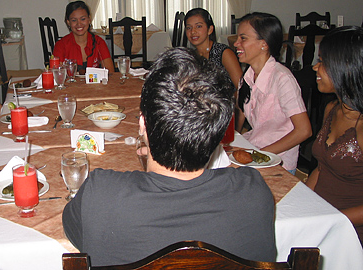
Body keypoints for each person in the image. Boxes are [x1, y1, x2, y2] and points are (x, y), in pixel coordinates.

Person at [62, 47, 276, 267]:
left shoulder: (101, 193)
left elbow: (77, 234)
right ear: (219, 133)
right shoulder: (252, 191)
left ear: (142, 125)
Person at [306, 26, 363, 244]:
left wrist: (330, 220)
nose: (314, 67)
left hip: (347, 232)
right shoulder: (333, 109)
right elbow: (322, 168)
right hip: (321, 217)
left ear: (345, 68)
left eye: (322, 61)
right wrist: (299, 200)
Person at [234, 12, 312, 173]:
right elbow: (240, 111)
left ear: (264, 44)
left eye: (243, 38)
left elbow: (304, 131)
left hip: (276, 161)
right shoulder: (248, 77)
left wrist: (260, 155)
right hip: (255, 147)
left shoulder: (282, 79)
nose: (236, 43)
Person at [185, 8, 242, 89]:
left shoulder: (224, 53)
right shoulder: (191, 56)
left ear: (210, 30)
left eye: (198, 26)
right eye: (189, 28)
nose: (193, 31)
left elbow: (240, 87)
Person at [53, 0, 115, 72]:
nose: (79, 24)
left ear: (89, 19)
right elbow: (56, 74)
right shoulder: (61, 45)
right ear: (68, 22)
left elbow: (110, 72)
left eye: (83, 19)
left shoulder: (99, 42)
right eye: (74, 20)